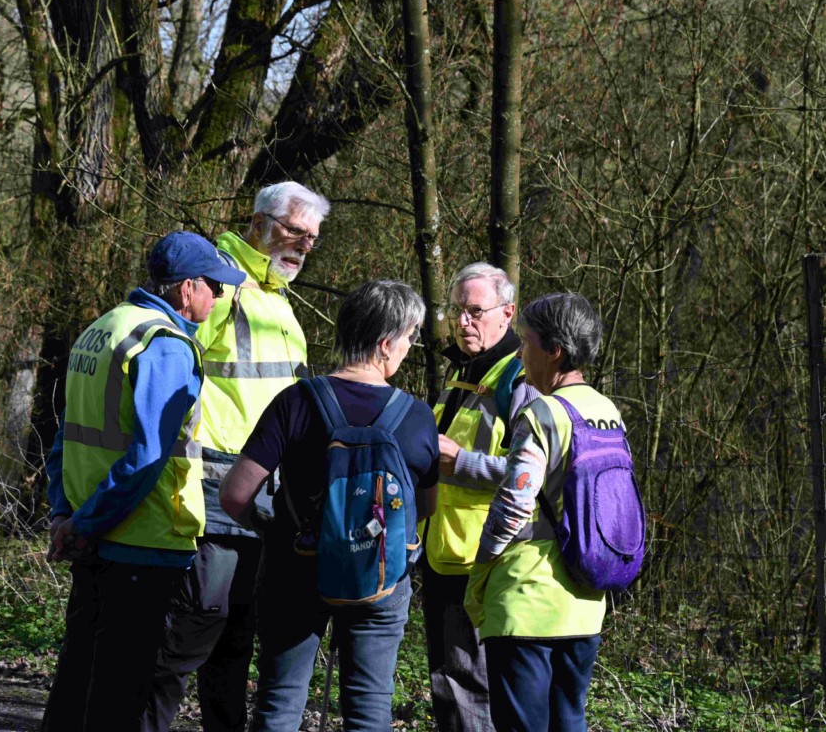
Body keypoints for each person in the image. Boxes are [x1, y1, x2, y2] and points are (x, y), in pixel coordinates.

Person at [39, 231, 247, 732]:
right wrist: (84, 523)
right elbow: (147, 458)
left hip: (93, 533)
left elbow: (66, 437)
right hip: (143, 539)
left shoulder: (103, 328)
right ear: (187, 288)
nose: (219, 298)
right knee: (120, 695)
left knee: (76, 682)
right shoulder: (166, 346)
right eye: (215, 287)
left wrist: (65, 514)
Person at [145, 182, 330, 732]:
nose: (304, 246)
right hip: (211, 489)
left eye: (312, 238)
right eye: (295, 232)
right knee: (194, 627)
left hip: (264, 495)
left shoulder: (278, 297)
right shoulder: (221, 284)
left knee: (235, 639)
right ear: (259, 223)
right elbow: (173, 373)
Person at [218, 279, 440, 731]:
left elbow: (234, 494)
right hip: (379, 576)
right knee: (369, 707)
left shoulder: (296, 401)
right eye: (408, 337)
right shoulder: (417, 416)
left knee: (279, 700)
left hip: (294, 567)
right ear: (385, 343)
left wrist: (269, 527)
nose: (409, 347)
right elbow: (426, 507)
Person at [465, 292, 618, 732]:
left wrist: (482, 567)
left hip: (526, 602)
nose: (519, 353)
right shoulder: (607, 411)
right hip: (585, 599)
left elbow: (514, 503)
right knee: (569, 720)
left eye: (526, 342)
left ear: (554, 351)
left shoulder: (541, 414)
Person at [422, 263, 538, 732]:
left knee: (472, 684)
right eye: (456, 311)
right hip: (442, 553)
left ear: (507, 313)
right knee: (448, 682)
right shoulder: (461, 370)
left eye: (475, 311)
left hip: (489, 561)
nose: (462, 321)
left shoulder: (520, 379)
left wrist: (462, 462)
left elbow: (535, 477)